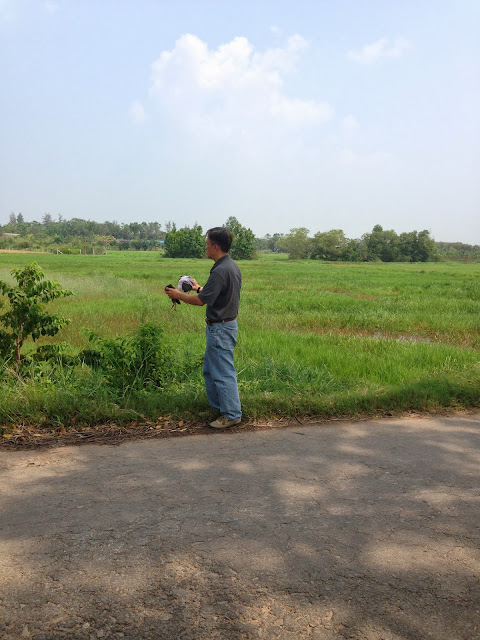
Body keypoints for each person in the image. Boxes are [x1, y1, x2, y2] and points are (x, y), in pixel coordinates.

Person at [165, 227, 242, 429]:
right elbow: (214, 293)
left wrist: (178, 295)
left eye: (207, 244)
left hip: (220, 329)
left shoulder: (220, 270)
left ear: (215, 247)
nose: (205, 248)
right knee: (211, 370)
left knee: (223, 372)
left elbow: (201, 301)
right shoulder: (230, 266)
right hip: (224, 326)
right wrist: (198, 287)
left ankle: (231, 415)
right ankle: (220, 408)